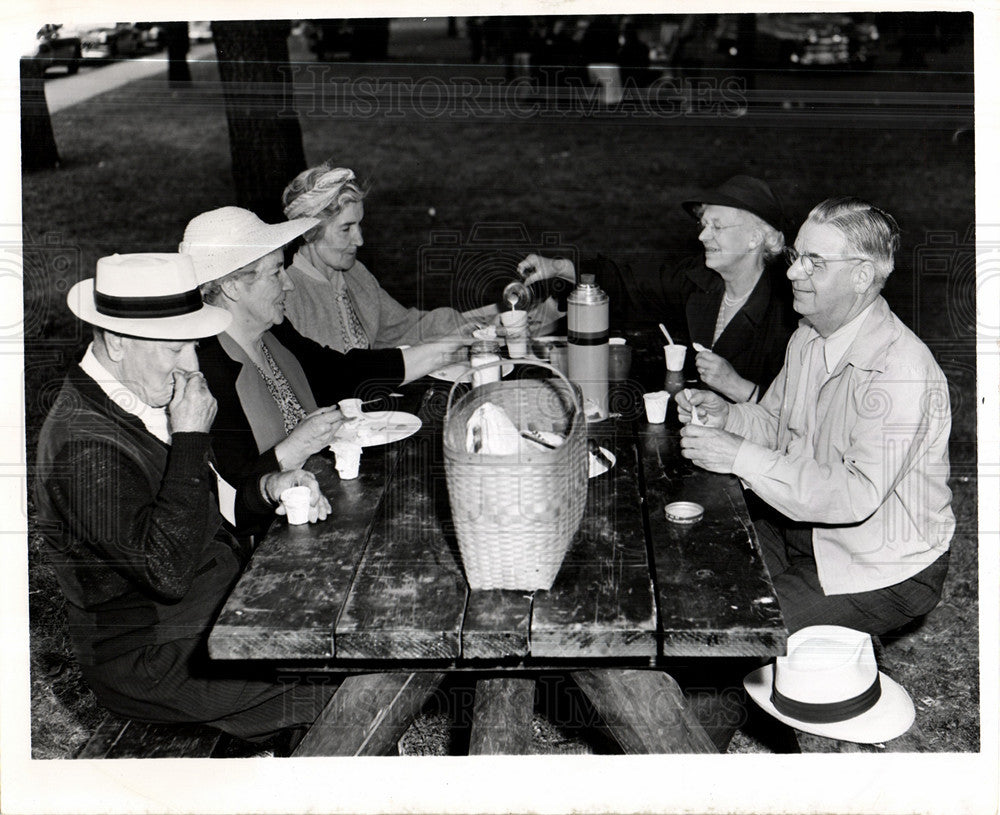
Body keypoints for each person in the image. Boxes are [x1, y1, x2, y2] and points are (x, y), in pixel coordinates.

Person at [34, 253, 336, 742]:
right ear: (116, 341)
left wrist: (267, 486)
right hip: (151, 657)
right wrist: (191, 437)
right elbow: (167, 572)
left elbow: (213, 504)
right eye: (175, 351)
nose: (191, 369)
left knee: (341, 633)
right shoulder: (84, 445)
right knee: (347, 668)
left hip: (210, 610)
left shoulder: (137, 394)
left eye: (192, 347)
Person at [677, 197, 954, 636]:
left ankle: (830, 664)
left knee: (734, 626)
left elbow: (853, 493)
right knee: (694, 555)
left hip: (878, 563)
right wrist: (728, 417)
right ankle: (827, 651)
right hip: (806, 527)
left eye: (814, 262)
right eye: (795, 256)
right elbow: (775, 424)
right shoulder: (809, 336)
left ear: (862, 276)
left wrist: (738, 457)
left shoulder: (902, 371)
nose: (791, 272)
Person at [179, 206, 462, 490]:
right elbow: (233, 494)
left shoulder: (274, 334)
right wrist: (297, 445)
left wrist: (447, 349)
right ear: (232, 286)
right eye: (276, 272)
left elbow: (341, 374)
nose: (288, 284)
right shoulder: (206, 372)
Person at [517, 175, 797, 402]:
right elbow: (631, 282)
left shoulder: (790, 314)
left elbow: (800, 414)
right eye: (703, 224)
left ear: (755, 238)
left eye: (717, 226)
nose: (702, 236)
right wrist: (559, 268)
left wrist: (737, 386)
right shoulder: (699, 279)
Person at [279, 164, 560, 353]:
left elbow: (403, 327)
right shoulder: (288, 295)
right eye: (346, 229)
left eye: (359, 225)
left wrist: (479, 328)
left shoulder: (355, 276)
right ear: (310, 231)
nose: (360, 240)